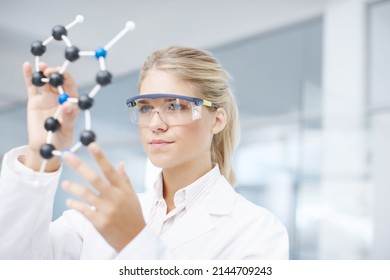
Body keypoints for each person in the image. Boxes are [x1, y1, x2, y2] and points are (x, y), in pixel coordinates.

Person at [0, 46, 288, 259]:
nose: (155, 124)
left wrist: (134, 241)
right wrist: (42, 153)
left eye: (176, 106)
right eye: (146, 108)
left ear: (217, 119)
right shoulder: (101, 216)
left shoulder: (257, 232)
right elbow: (15, 261)